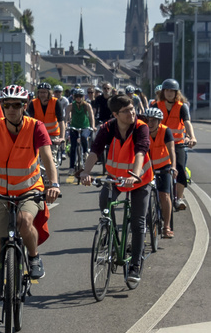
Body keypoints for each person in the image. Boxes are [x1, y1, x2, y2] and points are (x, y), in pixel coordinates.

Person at [0, 84, 61, 326]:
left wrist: (54, 183)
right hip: (0, 193)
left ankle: (34, 256)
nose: (10, 109)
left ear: (24, 106)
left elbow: (48, 158)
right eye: (6, 104)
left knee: (24, 221)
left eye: (16, 105)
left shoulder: (35, 127)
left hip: (30, 190)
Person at [76, 97, 152, 286]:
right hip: (116, 178)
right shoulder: (108, 128)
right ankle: (110, 235)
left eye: (132, 109)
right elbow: (95, 150)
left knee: (138, 222)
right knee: (104, 203)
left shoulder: (141, 127)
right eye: (126, 111)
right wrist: (86, 172)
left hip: (139, 179)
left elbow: (140, 151)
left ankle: (135, 265)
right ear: (116, 115)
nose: (132, 113)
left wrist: (135, 175)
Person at [155, 79, 198, 212]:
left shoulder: (181, 106)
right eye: (166, 90)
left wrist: (192, 137)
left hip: (178, 143)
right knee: (154, 168)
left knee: (179, 168)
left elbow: (187, 122)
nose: (169, 93)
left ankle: (179, 198)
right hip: (160, 143)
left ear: (176, 93)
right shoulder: (157, 105)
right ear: (163, 92)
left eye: (172, 91)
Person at [141, 107, 177, 238]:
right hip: (147, 167)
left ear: (159, 121)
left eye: (153, 121)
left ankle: (166, 226)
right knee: (142, 194)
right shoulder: (142, 131)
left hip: (164, 167)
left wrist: (173, 167)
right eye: (148, 120)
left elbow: (171, 150)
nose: (150, 123)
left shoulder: (166, 131)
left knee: (164, 195)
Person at [30, 81, 66, 156]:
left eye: (45, 92)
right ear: (38, 93)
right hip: (38, 134)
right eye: (40, 92)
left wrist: (62, 137)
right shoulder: (33, 103)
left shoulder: (55, 102)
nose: (42, 94)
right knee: (34, 157)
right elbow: (29, 121)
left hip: (53, 135)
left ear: (49, 93)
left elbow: (61, 121)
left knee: (51, 158)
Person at [67, 87, 97, 172]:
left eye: (80, 96)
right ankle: (72, 167)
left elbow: (91, 117)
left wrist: (93, 126)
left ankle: (85, 152)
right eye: (76, 96)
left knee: (84, 137)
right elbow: (66, 117)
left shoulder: (87, 105)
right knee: (73, 147)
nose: (78, 98)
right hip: (74, 126)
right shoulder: (71, 105)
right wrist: (66, 125)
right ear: (74, 97)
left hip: (85, 126)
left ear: (83, 96)